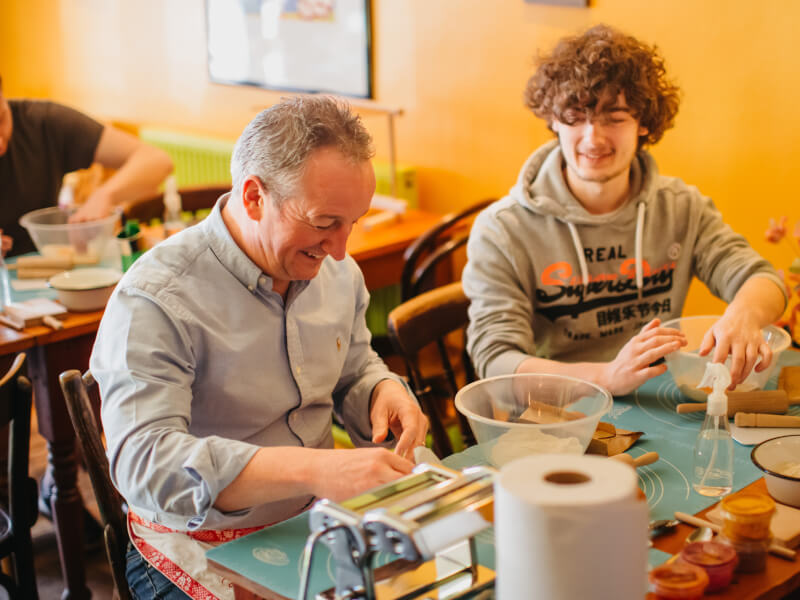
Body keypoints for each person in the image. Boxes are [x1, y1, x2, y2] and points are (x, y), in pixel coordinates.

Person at [90, 95, 428, 599]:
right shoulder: (156, 297)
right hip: (194, 541)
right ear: (253, 197)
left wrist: (382, 390)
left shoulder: (337, 273)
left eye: (353, 222)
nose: (340, 250)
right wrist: (316, 469)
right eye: (324, 223)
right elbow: (145, 462)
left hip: (311, 518)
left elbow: (354, 367)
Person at [463, 24, 786, 397]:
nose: (593, 138)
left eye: (613, 118)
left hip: (659, 400)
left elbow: (762, 279)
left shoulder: (681, 208)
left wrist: (742, 316)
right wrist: (606, 377)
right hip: (557, 414)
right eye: (576, 116)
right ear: (553, 119)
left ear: (643, 123)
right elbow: (496, 364)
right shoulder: (502, 229)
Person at [0, 74, 174, 256]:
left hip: (43, 265)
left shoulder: (42, 121)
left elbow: (157, 160)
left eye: (2, 118)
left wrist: (104, 195)